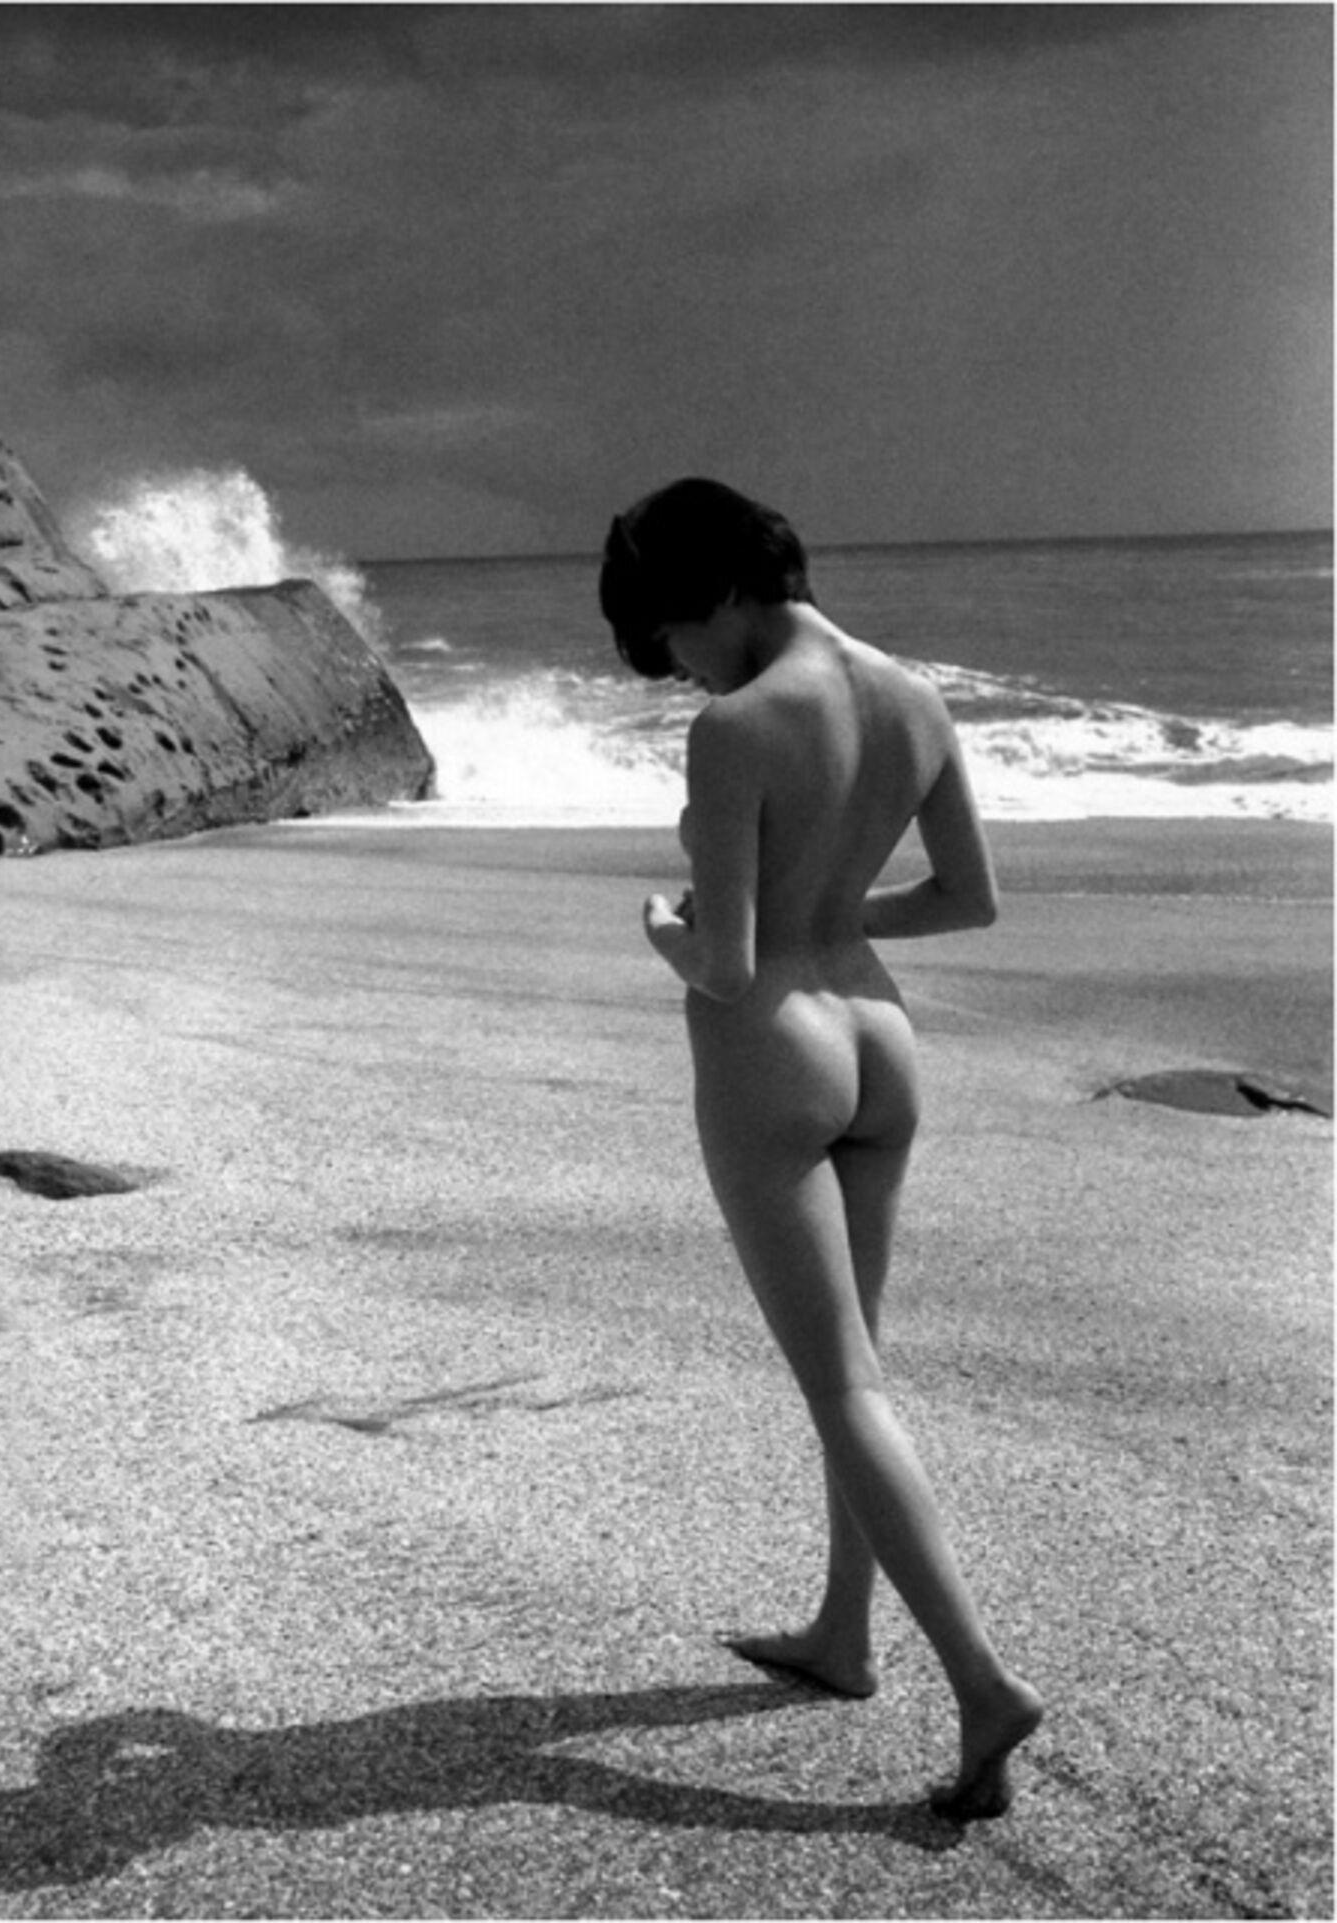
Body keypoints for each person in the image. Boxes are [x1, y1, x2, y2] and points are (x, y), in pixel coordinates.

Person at [600, 477, 1043, 1821]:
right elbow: (967, 899)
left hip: (775, 1054)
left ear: (719, 591)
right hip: (880, 1042)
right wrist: (836, 911)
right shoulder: (917, 698)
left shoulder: (737, 728)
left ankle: (984, 1686)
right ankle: (844, 1633)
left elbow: (730, 966)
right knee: (862, 1375)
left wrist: (662, 929)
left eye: (671, 636)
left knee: (844, 1386)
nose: (680, 667)